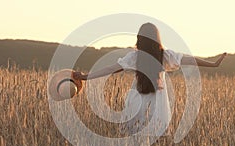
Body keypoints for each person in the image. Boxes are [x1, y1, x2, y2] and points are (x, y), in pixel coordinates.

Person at [73, 22, 226, 136]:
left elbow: (109, 69)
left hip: (136, 103)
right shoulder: (164, 55)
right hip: (157, 105)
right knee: (156, 140)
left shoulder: (135, 56)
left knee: (132, 139)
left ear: (139, 39)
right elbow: (190, 59)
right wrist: (213, 64)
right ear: (157, 39)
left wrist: (85, 77)